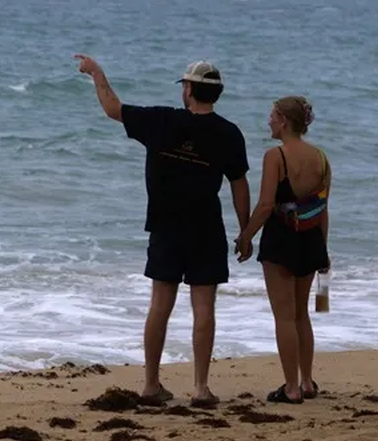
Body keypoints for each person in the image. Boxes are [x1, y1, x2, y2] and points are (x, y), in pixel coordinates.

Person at [76, 54, 251, 408]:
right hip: (206, 227)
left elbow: (113, 108)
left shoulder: (161, 121)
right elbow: (239, 184)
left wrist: (97, 72)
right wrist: (246, 230)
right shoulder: (229, 133)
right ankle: (201, 388)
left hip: (166, 226)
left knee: (160, 305)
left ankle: (152, 384)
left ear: (188, 90)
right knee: (204, 307)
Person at [236, 96, 331, 404]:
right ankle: (306, 382)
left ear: (284, 122)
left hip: (281, 241)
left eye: (272, 115)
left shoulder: (275, 156)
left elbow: (266, 206)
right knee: (302, 314)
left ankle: (290, 387)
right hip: (312, 239)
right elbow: (322, 208)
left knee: (284, 317)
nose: (268, 120)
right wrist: (323, 251)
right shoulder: (321, 158)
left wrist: (246, 236)